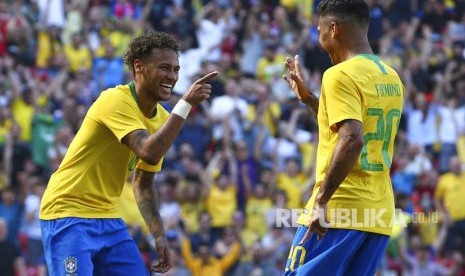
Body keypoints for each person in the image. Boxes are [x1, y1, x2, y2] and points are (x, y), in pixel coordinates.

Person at [39, 31, 218, 275]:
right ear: (139, 67)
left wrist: (158, 234)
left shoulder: (163, 120)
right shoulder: (115, 100)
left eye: (176, 70)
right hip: (68, 214)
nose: (172, 76)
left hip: (109, 218)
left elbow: (143, 183)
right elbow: (148, 152)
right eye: (164, 68)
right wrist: (185, 104)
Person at [282, 1, 404, 275]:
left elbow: (351, 139)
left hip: (339, 211)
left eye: (320, 30)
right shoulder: (392, 77)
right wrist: (312, 101)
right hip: (377, 216)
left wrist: (321, 202)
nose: (320, 38)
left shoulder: (339, 74)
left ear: (333, 29)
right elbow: (348, 132)